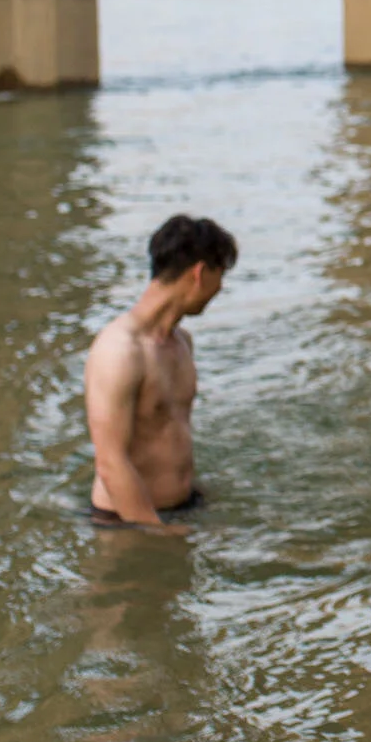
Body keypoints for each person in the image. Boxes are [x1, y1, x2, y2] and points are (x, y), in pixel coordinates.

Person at [85, 215, 237, 529]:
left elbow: (170, 430)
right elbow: (110, 463)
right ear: (199, 273)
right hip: (127, 523)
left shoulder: (182, 343)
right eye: (220, 275)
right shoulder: (118, 350)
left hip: (182, 508)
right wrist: (158, 535)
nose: (220, 289)